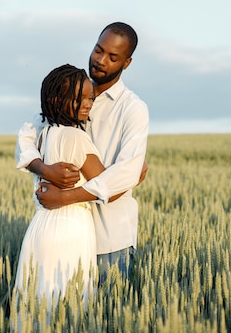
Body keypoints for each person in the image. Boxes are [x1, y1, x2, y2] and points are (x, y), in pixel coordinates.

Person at [16, 22, 149, 282]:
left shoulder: (133, 109)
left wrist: (65, 198)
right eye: (98, 50)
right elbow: (26, 135)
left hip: (111, 239)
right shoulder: (69, 94)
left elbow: (126, 172)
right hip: (65, 233)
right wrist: (45, 169)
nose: (100, 61)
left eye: (113, 57)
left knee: (104, 320)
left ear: (127, 63)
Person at [14, 64, 121, 307]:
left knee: (37, 303)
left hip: (40, 226)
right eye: (79, 98)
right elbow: (108, 185)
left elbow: (24, 145)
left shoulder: (43, 135)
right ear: (56, 99)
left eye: (90, 98)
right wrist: (137, 171)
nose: (87, 104)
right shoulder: (76, 138)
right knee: (69, 307)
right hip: (70, 228)